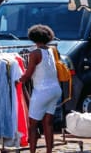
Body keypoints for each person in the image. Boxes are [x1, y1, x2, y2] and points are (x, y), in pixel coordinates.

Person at [19, 24, 60, 153]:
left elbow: (28, 74)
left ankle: (32, 151)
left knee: (33, 125)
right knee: (48, 123)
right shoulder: (51, 50)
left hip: (42, 90)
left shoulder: (35, 53)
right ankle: (49, 151)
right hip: (55, 89)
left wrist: (17, 80)